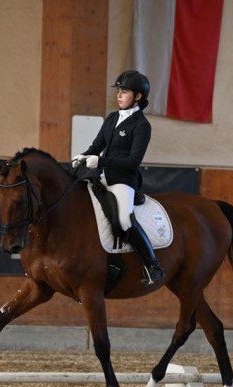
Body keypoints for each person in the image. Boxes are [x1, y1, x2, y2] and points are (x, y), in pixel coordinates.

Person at [72, 70, 164, 284]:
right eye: (118, 91)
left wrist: (101, 161)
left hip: (122, 180)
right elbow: (97, 146)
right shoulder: (112, 117)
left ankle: (152, 265)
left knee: (123, 219)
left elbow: (133, 161)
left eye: (124, 92)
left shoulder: (142, 126)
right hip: (99, 174)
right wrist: (84, 156)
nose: (119, 95)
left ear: (138, 97)